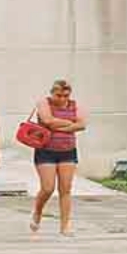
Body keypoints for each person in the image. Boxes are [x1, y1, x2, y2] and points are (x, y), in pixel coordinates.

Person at [31, 79, 88, 236]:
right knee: (48, 188)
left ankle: (65, 225)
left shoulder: (75, 105)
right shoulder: (44, 103)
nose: (62, 99)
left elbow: (82, 124)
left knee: (65, 189)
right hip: (46, 150)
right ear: (52, 93)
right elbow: (48, 121)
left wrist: (61, 125)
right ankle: (37, 211)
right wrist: (71, 124)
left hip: (67, 150)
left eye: (65, 96)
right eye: (58, 95)